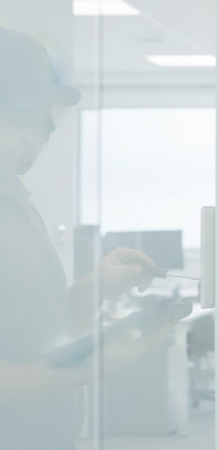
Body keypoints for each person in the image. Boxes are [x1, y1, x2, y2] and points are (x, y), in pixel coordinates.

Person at [0, 28, 174, 449]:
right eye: (31, 109)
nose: (49, 126)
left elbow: (41, 333)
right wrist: (86, 370)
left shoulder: (16, 201)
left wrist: (94, 289)